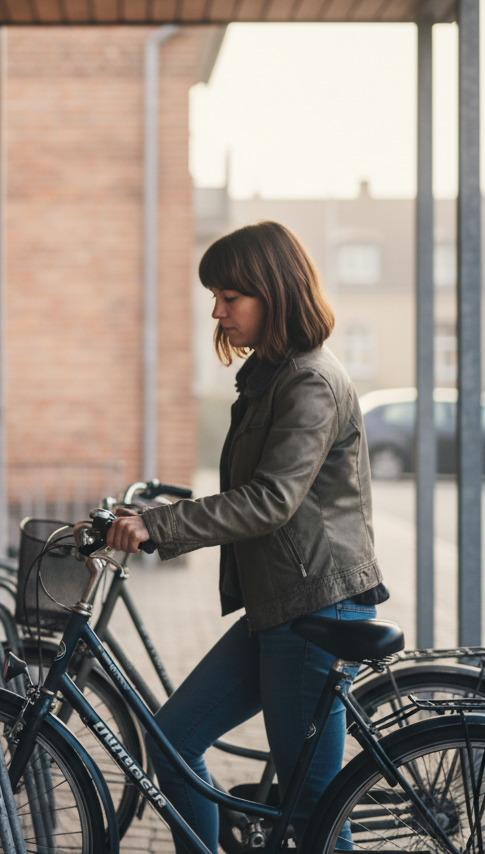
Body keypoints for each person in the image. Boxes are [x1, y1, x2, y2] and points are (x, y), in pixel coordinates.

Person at [107, 220, 388, 850]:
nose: (217, 311)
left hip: (313, 605)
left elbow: (270, 500)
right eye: (215, 296)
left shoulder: (309, 381)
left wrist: (159, 527)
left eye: (230, 297)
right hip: (280, 605)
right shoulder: (271, 376)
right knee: (174, 742)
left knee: (314, 809)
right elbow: (257, 482)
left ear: (274, 292)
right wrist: (160, 506)